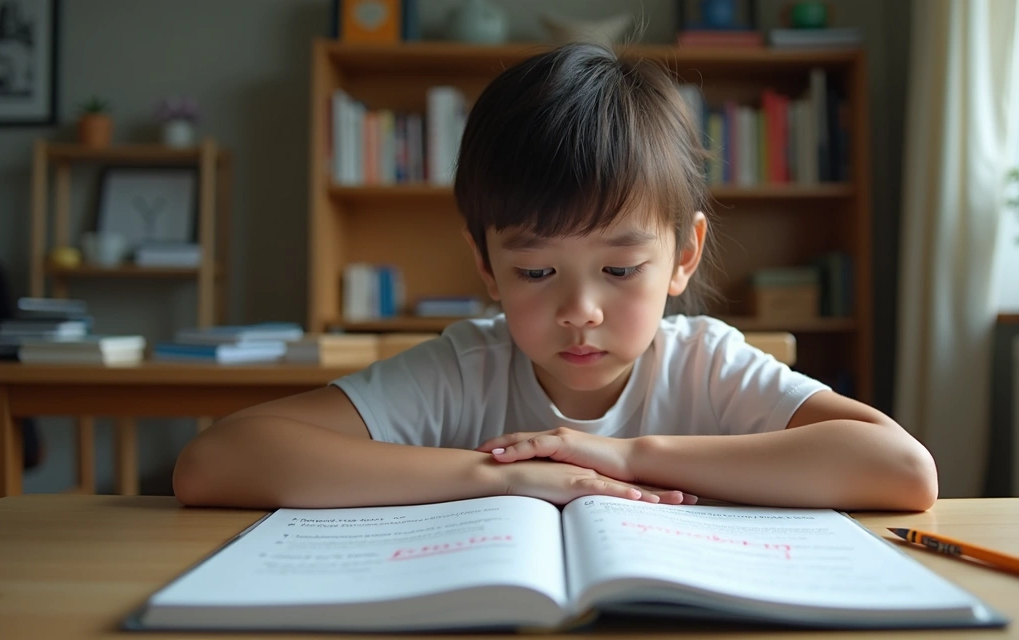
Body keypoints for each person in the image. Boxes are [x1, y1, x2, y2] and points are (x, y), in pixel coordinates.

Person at [173, 43, 937, 512]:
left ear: (684, 256)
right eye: (536, 269)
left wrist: (627, 456)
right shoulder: (467, 367)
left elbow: (902, 471)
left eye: (620, 268)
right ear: (486, 265)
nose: (580, 309)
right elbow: (216, 463)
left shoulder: (707, 363)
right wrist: (501, 478)